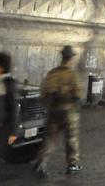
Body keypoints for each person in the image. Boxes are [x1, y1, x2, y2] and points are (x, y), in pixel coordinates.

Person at [35, 45, 82, 177]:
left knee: (50, 138)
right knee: (71, 138)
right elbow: (78, 94)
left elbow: (44, 92)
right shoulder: (72, 74)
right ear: (71, 58)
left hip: (53, 110)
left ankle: (41, 162)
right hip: (69, 110)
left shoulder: (52, 73)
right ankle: (72, 164)